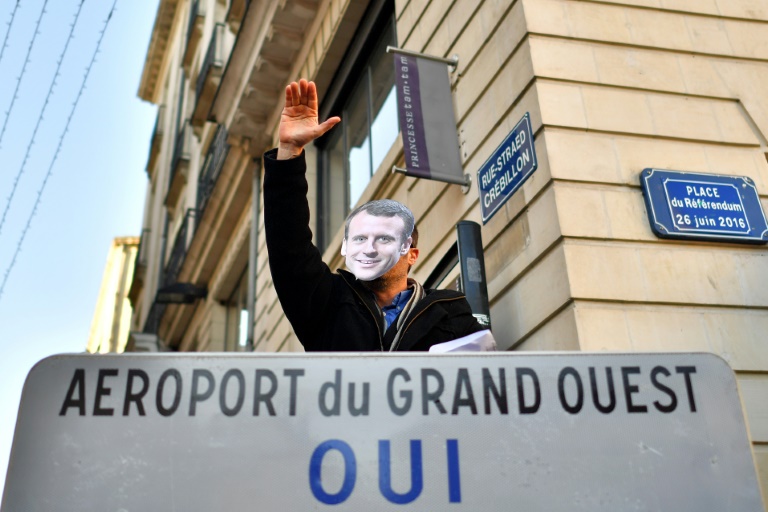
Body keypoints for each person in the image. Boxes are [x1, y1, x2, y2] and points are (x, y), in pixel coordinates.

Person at [263, 79, 483, 351]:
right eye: (360, 239)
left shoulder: (451, 314)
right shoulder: (327, 302)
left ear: (411, 254)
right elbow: (289, 246)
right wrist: (289, 152)